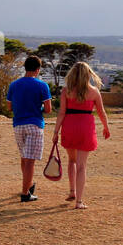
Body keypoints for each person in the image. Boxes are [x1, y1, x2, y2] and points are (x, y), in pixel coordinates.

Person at [51, 61, 110, 209]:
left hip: (69, 126)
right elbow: (101, 112)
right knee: (82, 165)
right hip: (86, 127)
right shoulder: (94, 91)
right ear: (88, 75)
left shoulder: (66, 91)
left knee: (72, 161)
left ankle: (72, 191)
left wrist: (55, 131)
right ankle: (79, 201)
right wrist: (106, 127)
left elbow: (62, 112)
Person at [6, 55, 53, 202]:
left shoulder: (14, 85)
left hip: (18, 124)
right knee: (30, 161)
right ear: (37, 70)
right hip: (34, 124)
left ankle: (29, 185)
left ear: (25, 67)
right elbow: (48, 109)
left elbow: (9, 107)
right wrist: (37, 107)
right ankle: (26, 193)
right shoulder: (42, 85)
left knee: (24, 158)